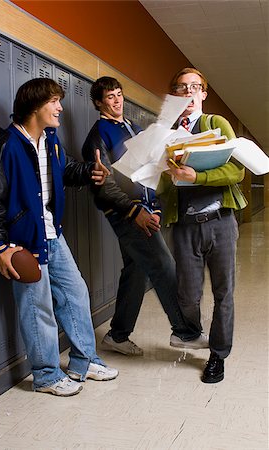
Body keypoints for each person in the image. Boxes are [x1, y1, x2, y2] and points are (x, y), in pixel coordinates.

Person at [0, 78, 119, 397]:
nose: (60, 108)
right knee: (37, 308)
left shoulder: (50, 141)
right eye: (54, 101)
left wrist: (89, 173)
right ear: (34, 106)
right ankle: (47, 375)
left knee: (76, 293)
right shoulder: (4, 148)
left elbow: (64, 171)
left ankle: (84, 361)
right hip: (22, 241)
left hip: (52, 233)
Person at [82, 76, 208, 356]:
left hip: (148, 211)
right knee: (164, 266)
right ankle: (184, 332)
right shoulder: (98, 136)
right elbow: (105, 185)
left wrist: (158, 207)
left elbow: (153, 170)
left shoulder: (135, 128)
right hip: (128, 215)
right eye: (110, 97)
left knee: (136, 272)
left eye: (119, 94)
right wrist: (134, 211)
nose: (117, 101)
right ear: (99, 103)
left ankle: (117, 335)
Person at [157, 68, 247, 383]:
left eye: (194, 87)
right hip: (184, 226)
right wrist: (161, 178)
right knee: (187, 295)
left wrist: (198, 176)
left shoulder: (215, 124)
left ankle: (218, 355)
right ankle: (192, 332)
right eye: (181, 87)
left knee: (224, 292)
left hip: (220, 221)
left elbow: (237, 172)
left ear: (203, 93)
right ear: (175, 95)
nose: (188, 92)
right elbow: (162, 188)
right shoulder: (166, 134)